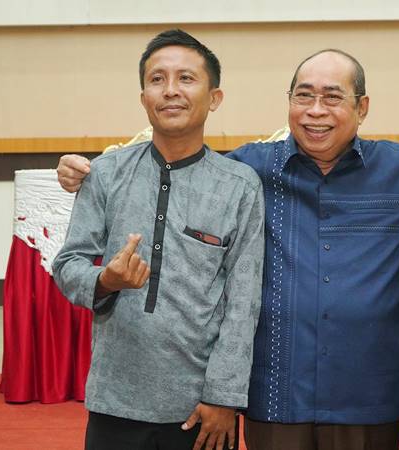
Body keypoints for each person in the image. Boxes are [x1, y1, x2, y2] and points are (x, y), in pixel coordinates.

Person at [57, 50, 399, 450]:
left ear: (362, 108)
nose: (316, 111)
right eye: (303, 96)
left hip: (367, 394)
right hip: (275, 392)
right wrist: (88, 168)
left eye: (333, 97)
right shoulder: (249, 171)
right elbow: (182, 161)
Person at [52, 29, 264, 450]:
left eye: (186, 79)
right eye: (157, 80)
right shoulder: (107, 174)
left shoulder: (239, 186)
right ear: (143, 97)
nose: (171, 91)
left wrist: (223, 397)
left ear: (214, 98)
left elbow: (243, 301)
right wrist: (106, 281)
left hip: (200, 411)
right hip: (115, 398)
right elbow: (68, 264)